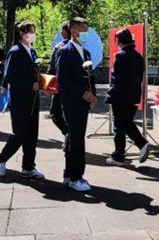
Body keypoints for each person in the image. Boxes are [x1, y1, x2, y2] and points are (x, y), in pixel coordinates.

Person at [0, 21, 45, 179]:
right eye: (30, 31)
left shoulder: (32, 51)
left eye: (34, 31)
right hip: (19, 100)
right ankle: (0, 159)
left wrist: (43, 82)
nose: (33, 35)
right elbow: (9, 77)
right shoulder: (15, 52)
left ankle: (28, 166)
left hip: (33, 99)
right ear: (22, 34)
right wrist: (28, 85)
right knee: (20, 134)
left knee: (32, 134)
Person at [57, 17, 97, 192]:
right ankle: (76, 177)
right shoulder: (65, 51)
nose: (86, 32)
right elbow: (63, 80)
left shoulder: (86, 52)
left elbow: (90, 76)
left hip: (83, 103)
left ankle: (69, 174)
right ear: (73, 30)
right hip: (72, 102)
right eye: (83, 28)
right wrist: (82, 93)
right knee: (76, 139)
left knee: (75, 137)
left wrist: (93, 95)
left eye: (87, 28)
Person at [105, 27, 150, 167]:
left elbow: (115, 80)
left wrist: (110, 96)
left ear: (119, 41)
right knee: (127, 123)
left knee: (119, 127)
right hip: (134, 97)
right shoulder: (138, 56)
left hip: (120, 98)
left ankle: (118, 157)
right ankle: (141, 144)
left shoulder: (120, 56)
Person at [46, 21, 70, 138]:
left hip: (59, 86)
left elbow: (51, 67)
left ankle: (68, 134)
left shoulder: (58, 47)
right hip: (75, 87)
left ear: (64, 32)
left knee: (55, 113)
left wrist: (47, 86)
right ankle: (71, 136)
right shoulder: (80, 47)